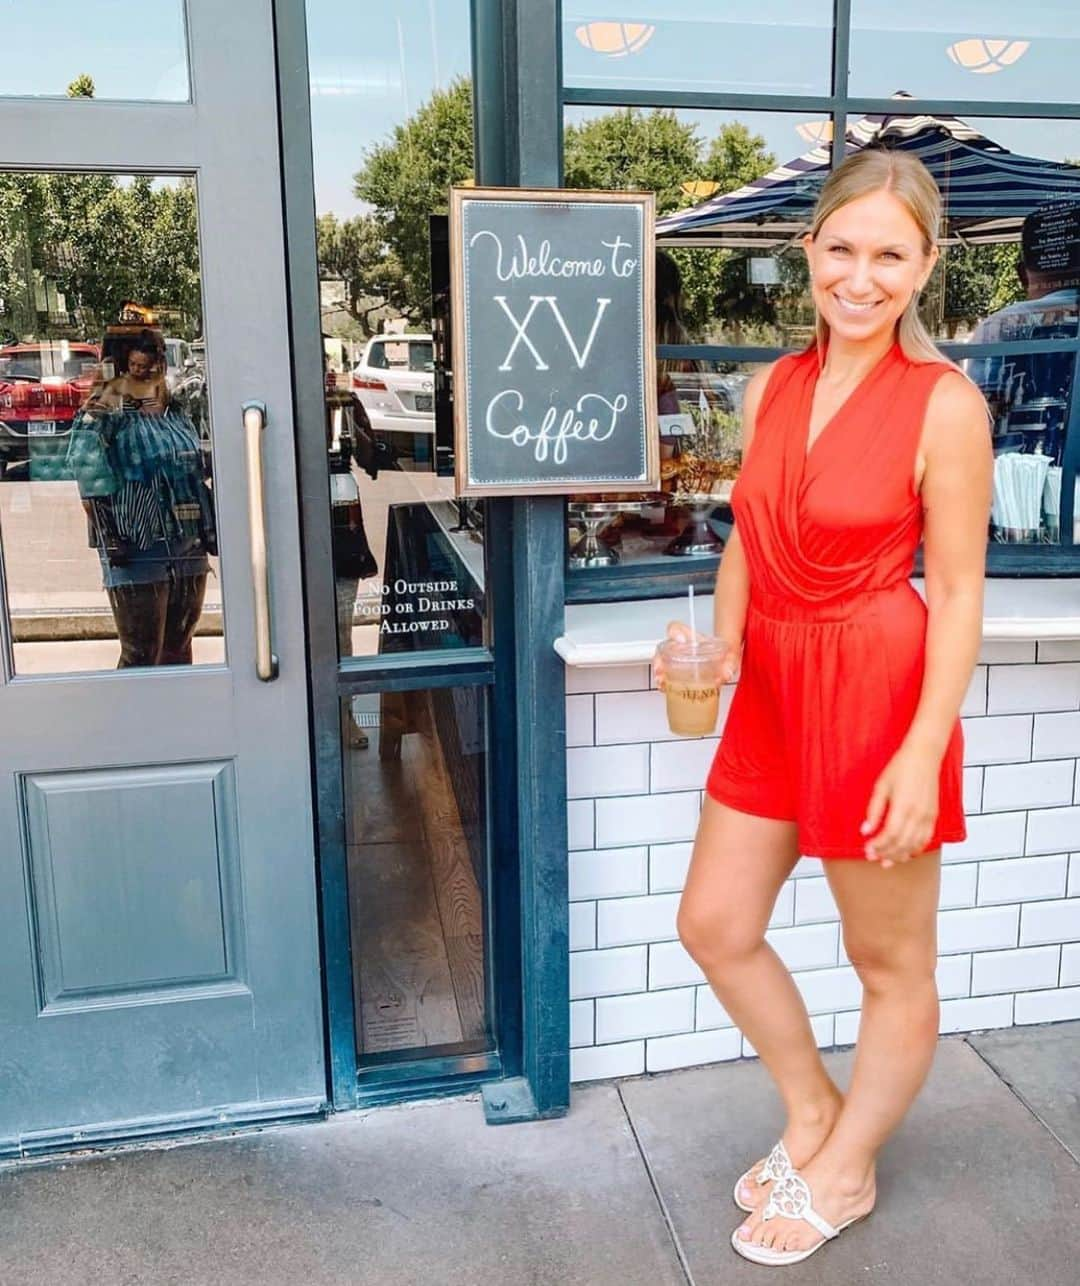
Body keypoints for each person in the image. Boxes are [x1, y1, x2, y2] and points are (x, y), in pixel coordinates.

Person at [654, 148, 992, 1266]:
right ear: (807, 252)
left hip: (877, 691)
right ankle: (811, 1111)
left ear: (926, 265)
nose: (861, 275)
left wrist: (921, 747)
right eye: (841, 248)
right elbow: (751, 534)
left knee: (886, 960)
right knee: (713, 920)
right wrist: (717, 649)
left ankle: (845, 1168)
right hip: (776, 692)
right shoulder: (771, 386)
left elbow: (954, 593)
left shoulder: (944, 405)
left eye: (889, 254)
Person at [70, 329, 216, 668]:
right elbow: (85, 469)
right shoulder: (107, 410)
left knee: (179, 645)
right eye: (139, 365)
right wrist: (109, 536)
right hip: (136, 544)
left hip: (187, 541)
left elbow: (195, 464)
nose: (151, 370)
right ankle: (135, 721)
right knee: (140, 653)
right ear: (121, 367)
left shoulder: (175, 410)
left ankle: (177, 719)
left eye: (157, 361)